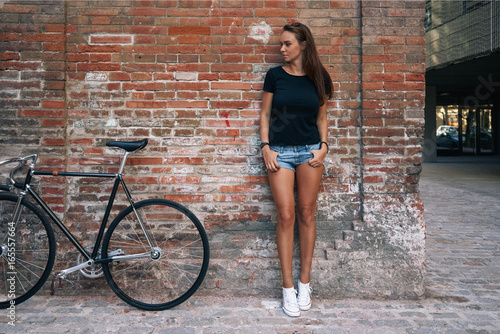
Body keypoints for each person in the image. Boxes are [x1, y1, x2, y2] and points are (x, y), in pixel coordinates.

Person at [259, 22, 333, 317]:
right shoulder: (274, 76)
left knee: (306, 213)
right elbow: (264, 114)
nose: (282, 49)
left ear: (303, 45)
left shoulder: (319, 77)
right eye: (281, 44)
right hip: (279, 154)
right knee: (286, 215)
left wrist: (324, 146)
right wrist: (265, 147)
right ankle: (287, 288)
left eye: (287, 43)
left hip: (309, 152)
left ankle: (305, 283)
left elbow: (322, 117)